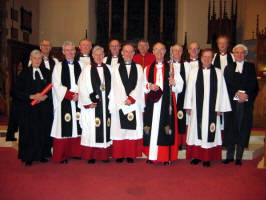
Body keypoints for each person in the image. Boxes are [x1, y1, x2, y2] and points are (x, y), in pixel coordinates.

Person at [184, 49, 231, 167]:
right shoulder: (194, 71)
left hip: (212, 108)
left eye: (209, 57)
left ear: (212, 59)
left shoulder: (218, 72)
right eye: (204, 56)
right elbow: (189, 90)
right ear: (201, 58)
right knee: (196, 131)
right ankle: (197, 156)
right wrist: (188, 106)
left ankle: (207, 157)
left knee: (209, 130)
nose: (206, 59)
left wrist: (220, 107)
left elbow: (222, 91)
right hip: (196, 107)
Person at [143, 42, 183, 165]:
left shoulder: (172, 68)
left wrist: (174, 82)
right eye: (156, 50)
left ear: (165, 51)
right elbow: (143, 87)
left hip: (167, 105)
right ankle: (151, 156)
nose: (159, 52)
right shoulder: (147, 68)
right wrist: (149, 85)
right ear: (153, 52)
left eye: (161, 50)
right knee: (152, 128)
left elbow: (180, 87)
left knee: (166, 128)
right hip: (153, 105)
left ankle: (166, 157)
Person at [14, 49, 53, 166]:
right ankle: (28, 157)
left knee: (42, 131)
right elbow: (16, 91)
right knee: (29, 133)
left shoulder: (47, 72)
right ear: (31, 59)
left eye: (39, 58)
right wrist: (31, 96)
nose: (37, 60)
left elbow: (52, 89)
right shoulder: (24, 73)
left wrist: (46, 96)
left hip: (43, 108)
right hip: (29, 109)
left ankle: (41, 155)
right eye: (35, 58)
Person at [223, 44, 259, 166]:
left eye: (242, 52)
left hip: (246, 103)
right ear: (233, 54)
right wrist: (238, 95)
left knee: (243, 128)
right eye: (237, 52)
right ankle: (229, 156)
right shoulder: (228, 67)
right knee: (231, 128)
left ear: (245, 54)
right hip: (232, 104)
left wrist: (246, 95)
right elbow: (227, 85)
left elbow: (254, 85)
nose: (239, 55)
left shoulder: (251, 67)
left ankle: (239, 157)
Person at [109, 43, 145, 163]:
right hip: (120, 103)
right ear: (122, 53)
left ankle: (130, 154)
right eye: (126, 51)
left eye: (131, 52)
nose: (128, 54)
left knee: (131, 131)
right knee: (119, 130)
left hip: (134, 103)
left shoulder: (139, 68)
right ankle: (119, 154)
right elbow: (114, 86)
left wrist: (132, 98)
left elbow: (140, 84)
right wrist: (124, 100)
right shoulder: (115, 68)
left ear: (134, 54)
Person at [78, 46, 112, 164]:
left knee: (104, 128)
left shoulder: (109, 68)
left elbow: (114, 87)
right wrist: (88, 102)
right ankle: (91, 155)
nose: (99, 57)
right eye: (96, 54)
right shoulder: (87, 69)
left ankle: (103, 155)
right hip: (93, 106)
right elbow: (81, 86)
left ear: (104, 55)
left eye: (101, 54)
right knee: (91, 129)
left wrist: (111, 102)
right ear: (92, 55)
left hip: (105, 106)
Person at [51, 41, 82, 164]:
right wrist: (70, 95)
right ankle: (61, 156)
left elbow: (84, 83)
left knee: (77, 126)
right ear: (63, 52)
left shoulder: (80, 66)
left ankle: (75, 153)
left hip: (77, 100)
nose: (70, 52)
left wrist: (79, 95)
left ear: (75, 51)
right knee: (63, 127)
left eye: (72, 50)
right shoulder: (58, 67)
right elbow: (56, 84)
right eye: (67, 50)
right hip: (64, 101)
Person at [170, 44, 191, 150]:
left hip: (183, 96)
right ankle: (173, 141)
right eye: (175, 51)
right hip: (171, 97)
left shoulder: (187, 65)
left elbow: (190, 83)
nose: (177, 53)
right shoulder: (167, 65)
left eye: (179, 51)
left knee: (183, 119)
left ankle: (182, 142)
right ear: (171, 52)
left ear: (182, 52)